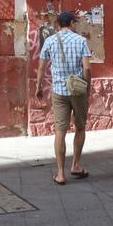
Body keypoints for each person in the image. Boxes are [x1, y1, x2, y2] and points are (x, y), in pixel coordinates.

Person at [34, 11, 93, 185]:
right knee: (80, 128)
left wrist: (38, 87)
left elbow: (41, 67)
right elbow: (87, 69)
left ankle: (60, 174)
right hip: (78, 90)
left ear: (58, 24)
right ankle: (75, 165)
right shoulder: (81, 41)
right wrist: (87, 88)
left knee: (60, 131)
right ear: (72, 23)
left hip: (59, 91)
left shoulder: (50, 41)